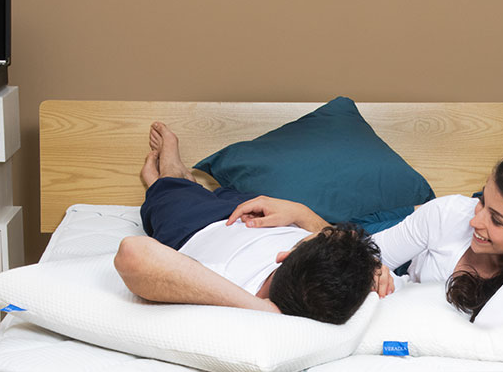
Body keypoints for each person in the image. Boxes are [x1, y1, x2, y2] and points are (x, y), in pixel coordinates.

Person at [226, 149, 503, 327]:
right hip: (412, 239)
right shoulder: (452, 215)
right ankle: (306, 214)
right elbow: (370, 252)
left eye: (496, 220)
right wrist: (370, 265)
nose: (476, 221)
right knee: (353, 232)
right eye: (482, 201)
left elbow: (493, 324)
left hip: (424, 240)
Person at [114, 123, 382, 325]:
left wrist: (258, 308)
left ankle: (166, 176)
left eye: (312, 236)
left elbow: (133, 254)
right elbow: (345, 243)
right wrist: (300, 214)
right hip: (262, 216)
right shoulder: (336, 283)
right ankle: (185, 183)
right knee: (228, 192)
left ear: (283, 256)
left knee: (171, 191)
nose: (325, 231)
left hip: (200, 223)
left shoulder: (223, 281)